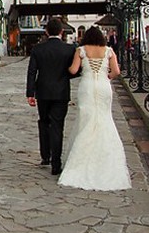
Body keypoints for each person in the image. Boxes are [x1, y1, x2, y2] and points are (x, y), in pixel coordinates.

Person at [58, 26, 131, 191]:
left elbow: (73, 70)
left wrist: (69, 68)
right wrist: (107, 76)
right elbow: (117, 71)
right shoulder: (109, 51)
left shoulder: (81, 50)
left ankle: (81, 159)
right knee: (104, 119)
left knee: (86, 120)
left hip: (87, 86)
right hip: (104, 87)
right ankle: (106, 160)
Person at [26, 18, 77, 175]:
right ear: (62, 32)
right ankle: (56, 163)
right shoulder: (70, 49)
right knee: (57, 126)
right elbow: (76, 71)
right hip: (61, 93)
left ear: (46, 32)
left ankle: (45, 155)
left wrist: (30, 93)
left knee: (44, 122)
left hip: (43, 92)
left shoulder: (38, 49)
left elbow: (32, 71)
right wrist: (63, 77)